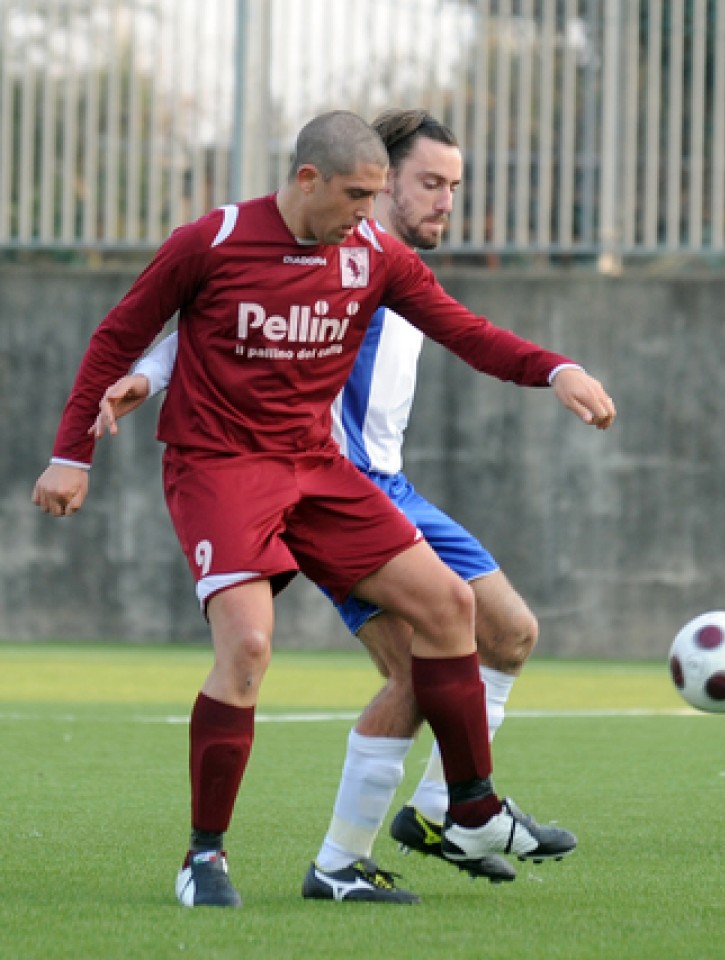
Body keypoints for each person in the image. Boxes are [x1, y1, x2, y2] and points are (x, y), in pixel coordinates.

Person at [32, 110, 617, 908]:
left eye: (378, 197)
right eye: (356, 195)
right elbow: (119, 336)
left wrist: (555, 370)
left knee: (451, 606)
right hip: (221, 470)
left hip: (319, 470)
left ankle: (470, 803)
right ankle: (205, 856)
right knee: (247, 649)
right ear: (306, 180)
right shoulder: (210, 241)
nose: (367, 215)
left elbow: (466, 332)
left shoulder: (372, 254)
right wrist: (74, 452)